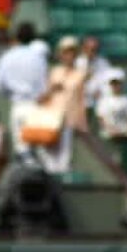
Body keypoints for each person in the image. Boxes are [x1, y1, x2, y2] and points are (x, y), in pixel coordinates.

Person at [0, 22, 48, 159]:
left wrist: (10, 93)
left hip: (18, 105)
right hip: (36, 107)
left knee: (23, 151)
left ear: (16, 37)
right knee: (37, 152)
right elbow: (44, 87)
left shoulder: (7, 56)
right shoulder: (38, 58)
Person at [38, 36, 89, 174]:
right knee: (47, 155)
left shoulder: (81, 74)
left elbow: (82, 99)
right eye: (65, 52)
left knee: (65, 158)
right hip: (52, 119)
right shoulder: (54, 71)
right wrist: (51, 90)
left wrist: (82, 123)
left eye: (72, 52)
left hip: (69, 119)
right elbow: (44, 96)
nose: (69, 55)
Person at [95, 69, 127, 139]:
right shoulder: (103, 101)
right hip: (109, 134)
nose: (115, 86)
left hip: (125, 132)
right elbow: (101, 119)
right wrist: (111, 130)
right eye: (113, 84)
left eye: (118, 83)